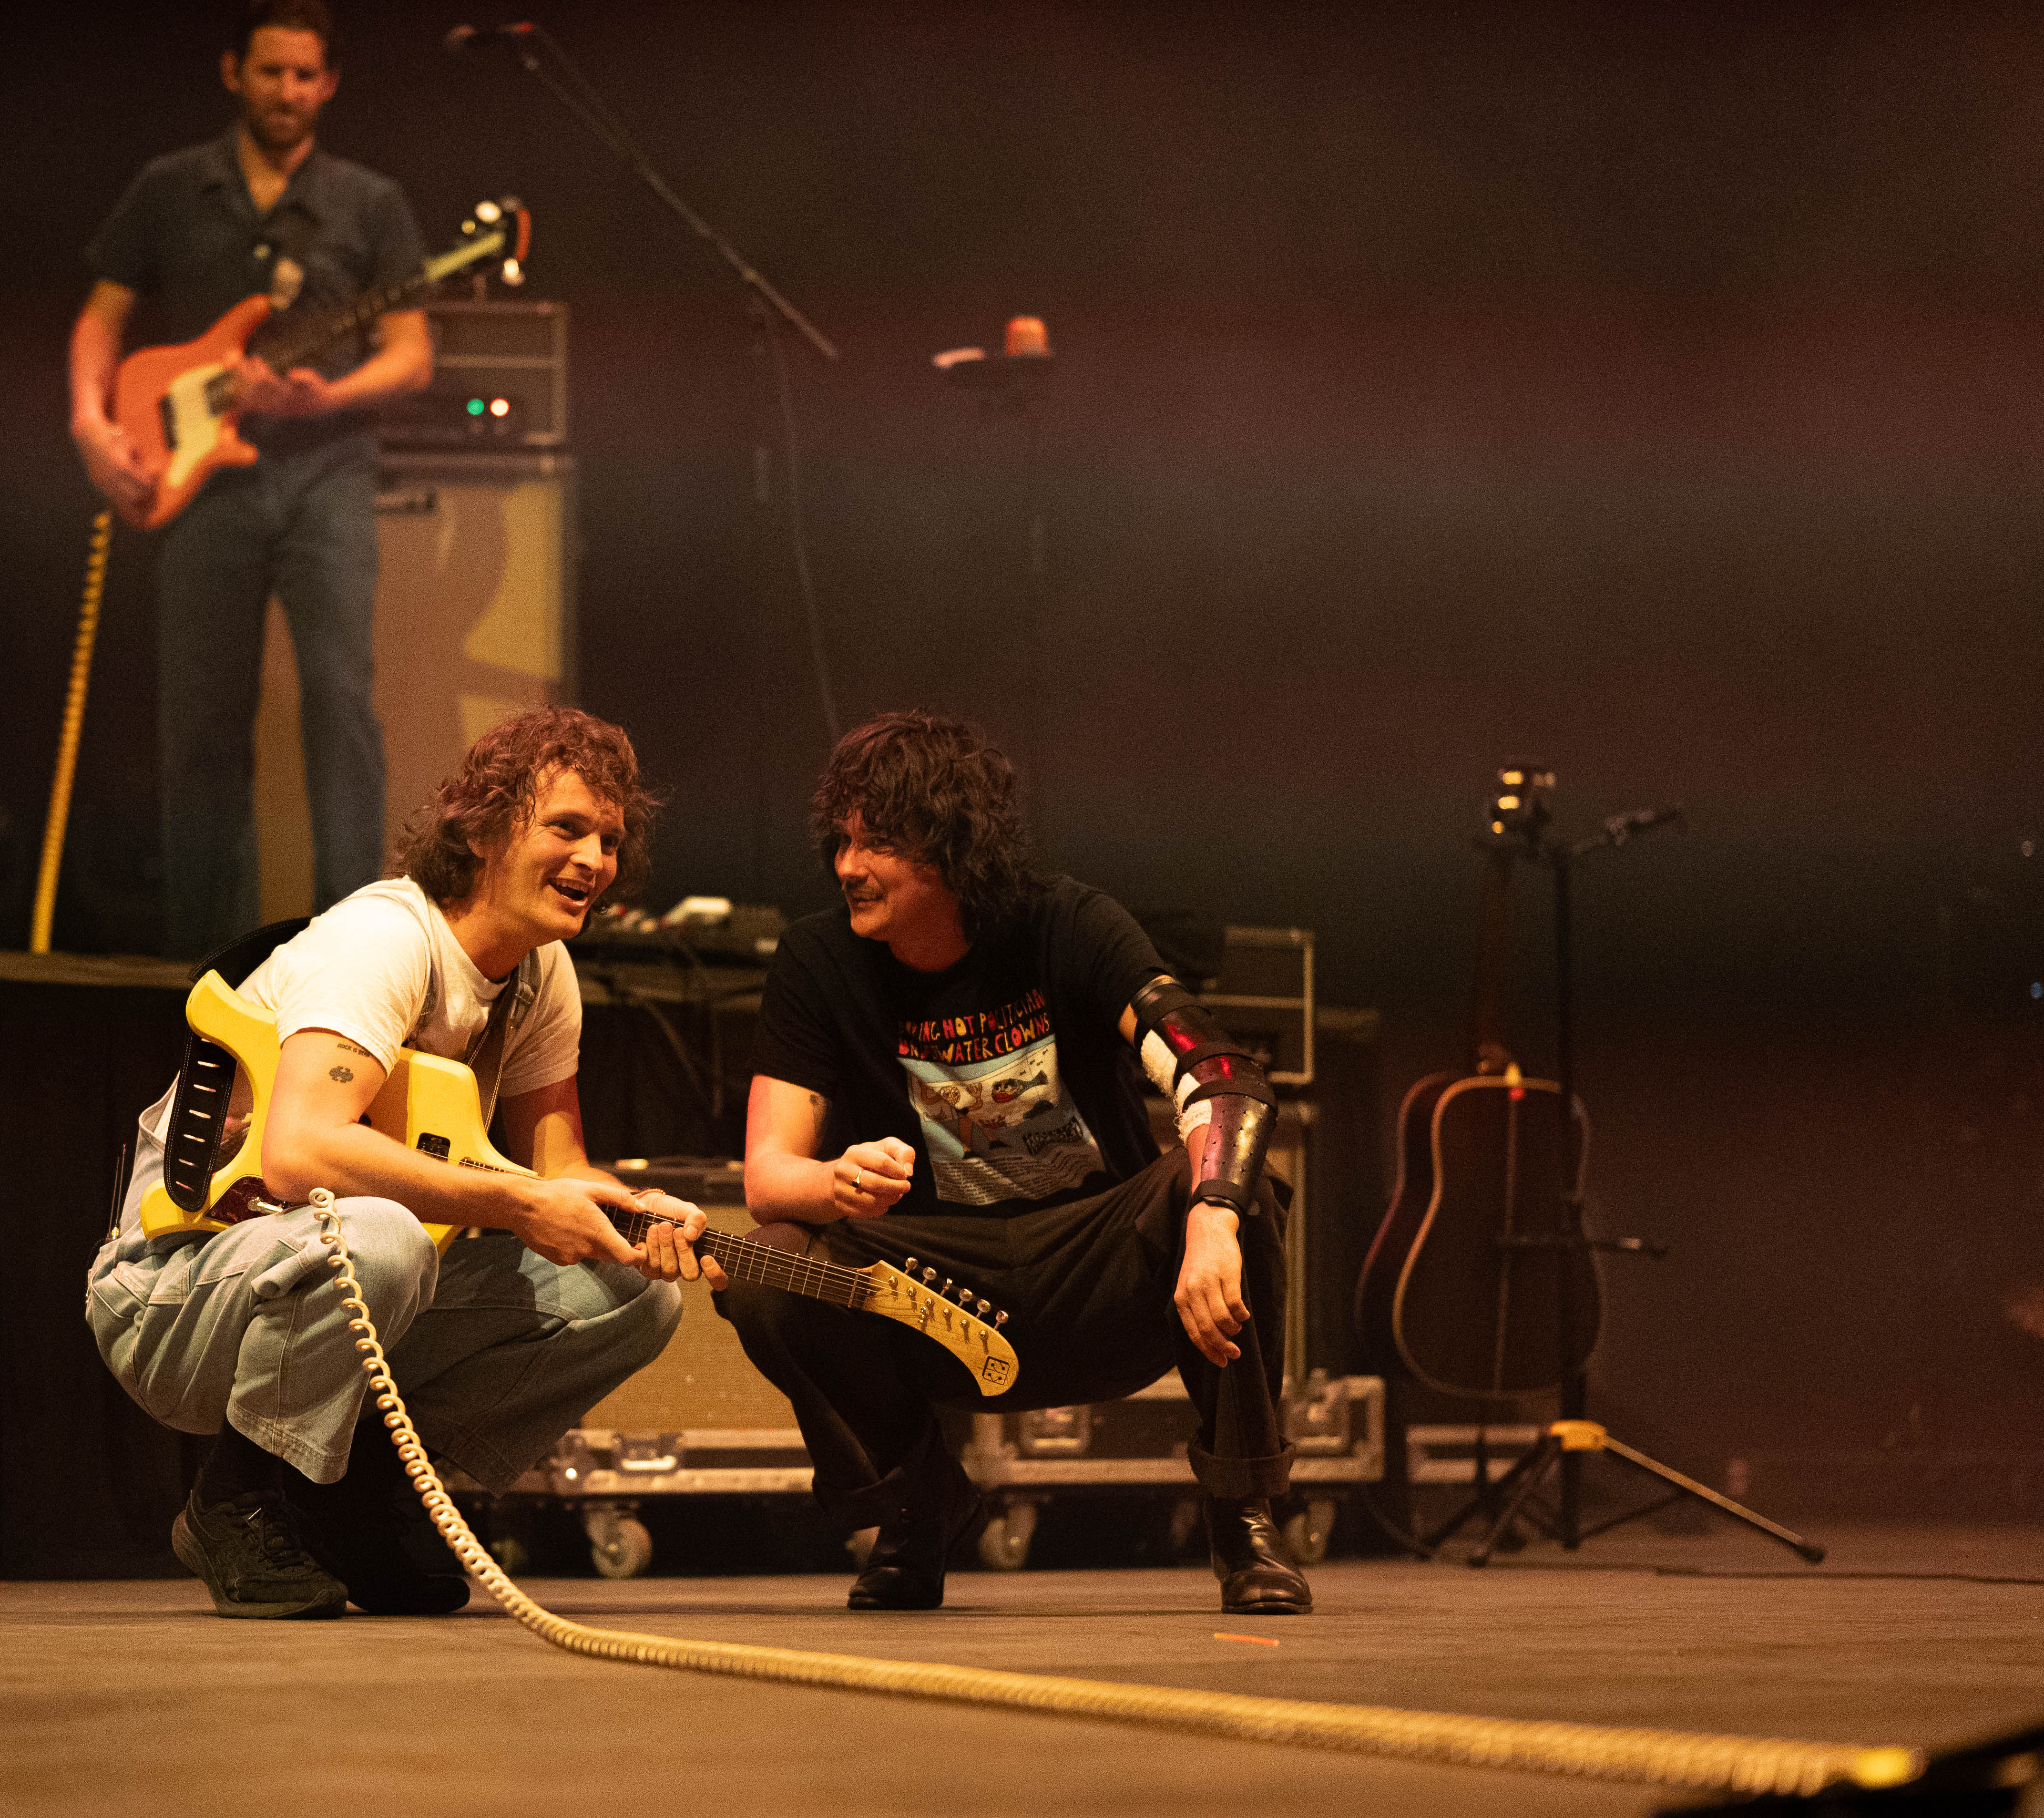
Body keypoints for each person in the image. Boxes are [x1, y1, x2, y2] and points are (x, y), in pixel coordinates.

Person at [86, 707, 727, 1619]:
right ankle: (238, 1499)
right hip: (172, 1288)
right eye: (567, 828)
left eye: (611, 839)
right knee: (386, 1238)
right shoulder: (386, 939)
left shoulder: (544, 975)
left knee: (632, 1294)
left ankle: (350, 1481)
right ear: (481, 828)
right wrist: (518, 1208)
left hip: (331, 1277)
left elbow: (559, 1169)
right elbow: (301, 1149)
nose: (596, 859)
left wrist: (634, 1210)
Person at [725, 711, 1314, 1616]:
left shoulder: (1068, 925)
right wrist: (835, 1180)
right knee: (766, 1272)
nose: (848, 865)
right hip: (935, 1285)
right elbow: (769, 1176)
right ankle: (923, 1510)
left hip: (1093, 1272)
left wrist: (1212, 1213)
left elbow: (1221, 1076)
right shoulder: (817, 960)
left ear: (952, 844)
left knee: (1242, 1185)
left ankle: (1244, 1516)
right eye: (842, 840)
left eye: (879, 841)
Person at [68, 0, 434, 958]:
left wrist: (326, 396)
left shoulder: (370, 201)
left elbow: (410, 354)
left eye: (305, 75)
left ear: (331, 82)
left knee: (339, 700)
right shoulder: (169, 186)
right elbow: (101, 319)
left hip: (328, 470)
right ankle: (205, 964)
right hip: (203, 481)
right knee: (200, 721)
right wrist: (89, 421)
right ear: (234, 71)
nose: (288, 92)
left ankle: (356, 955)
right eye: (271, 72)